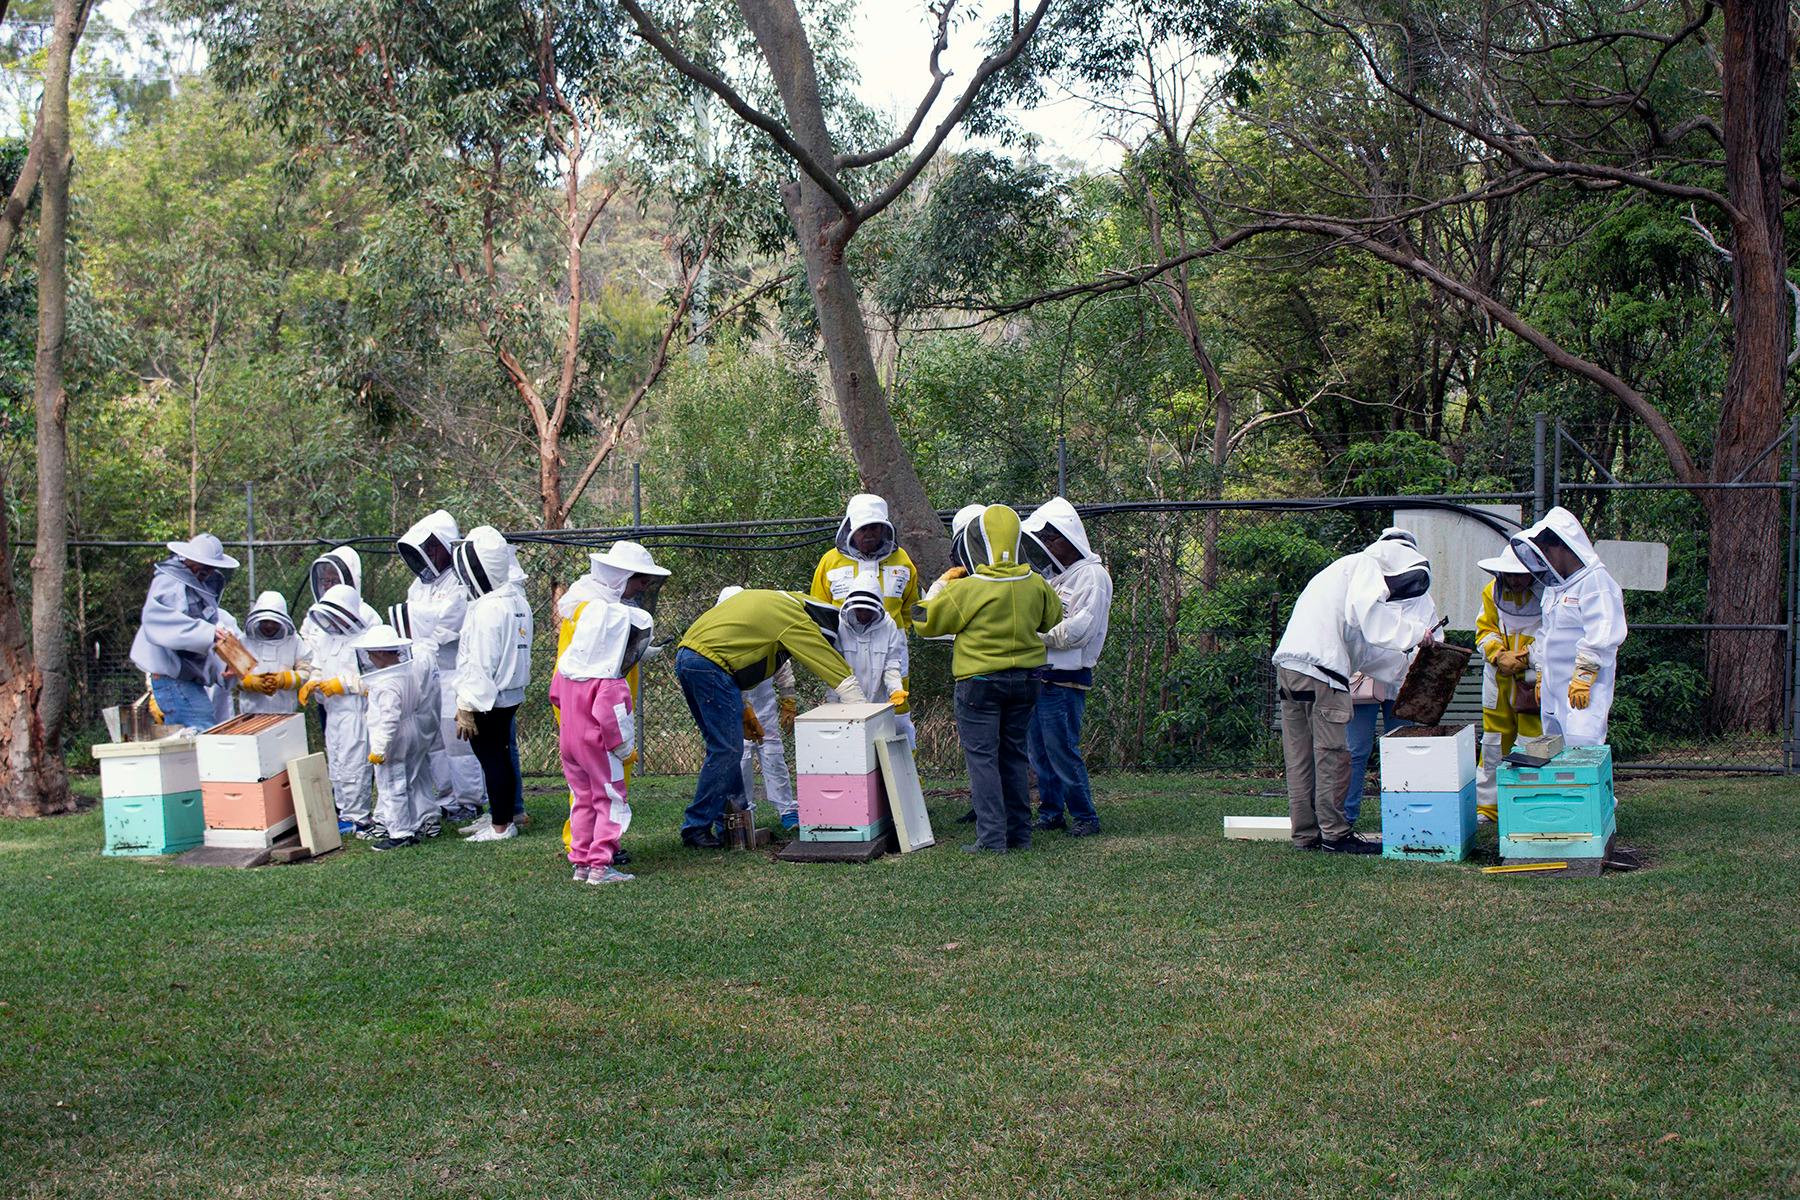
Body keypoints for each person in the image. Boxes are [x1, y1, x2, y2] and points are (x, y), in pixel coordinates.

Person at [914, 505, 1063, 854]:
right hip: (1025, 681)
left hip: (978, 682)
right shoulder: (1035, 584)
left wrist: (937, 587)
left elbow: (924, 622)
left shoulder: (969, 589)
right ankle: (1021, 836)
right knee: (1014, 755)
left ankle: (992, 839)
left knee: (983, 759)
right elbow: (1052, 619)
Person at [1271, 539, 1434, 854]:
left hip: (1292, 672)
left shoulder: (1341, 577)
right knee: (1332, 754)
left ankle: (1305, 835)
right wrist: (1416, 635)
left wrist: (1407, 669)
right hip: (1322, 675)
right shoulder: (1363, 567)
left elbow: (1368, 653)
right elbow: (1376, 626)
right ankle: (1335, 835)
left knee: (1300, 756)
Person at [675, 588, 865, 848]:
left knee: (725, 749)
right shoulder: (792, 614)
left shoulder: (770, 603)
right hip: (709, 667)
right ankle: (696, 828)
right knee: (726, 751)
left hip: (693, 659)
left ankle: (733, 824)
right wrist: (858, 703)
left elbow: (732, 652)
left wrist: (742, 708)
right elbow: (823, 657)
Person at [554, 541, 672, 855]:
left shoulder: (605, 603)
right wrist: (619, 739)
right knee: (598, 788)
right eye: (640, 579)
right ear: (620, 576)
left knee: (598, 785)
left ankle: (589, 850)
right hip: (597, 712)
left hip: (592, 709)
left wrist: (640, 649)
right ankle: (596, 850)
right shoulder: (591, 608)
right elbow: (589, 664)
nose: (645, 586)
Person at [1021, 497, 1113, 837]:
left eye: (1051, 539)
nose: (1047, 547)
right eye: (1042, 540)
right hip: (1039, 676)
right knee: (1040, 753)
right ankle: (1050, 812)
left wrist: (1034, 637)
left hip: (1065, 680)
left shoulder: (1092, 575)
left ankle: (1085, 816)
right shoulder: (1053, 576)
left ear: (1069, 537)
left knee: (1062, 750)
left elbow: (1078, 629)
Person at [552, 598, 653, 884]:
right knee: (609, 800)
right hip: (598, 749)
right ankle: (601, 866)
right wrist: (625, 750)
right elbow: (613, 720)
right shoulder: (611, 681)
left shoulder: (567, 668)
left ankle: (581, 863)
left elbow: (556, 697)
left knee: (581, 800)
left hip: (569, 745)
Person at [1342, 531, 1440, 824]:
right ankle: (1346, 816)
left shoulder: (1424, 599)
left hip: (1403, 684)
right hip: (1363, 682)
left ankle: (1405, 817)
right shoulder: (1363, 587)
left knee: (1403, 749)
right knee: (1356, 750)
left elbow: (1436, 637)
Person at [1509, 507, 1627, 747]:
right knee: (1554, 749)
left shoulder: (1596, 581)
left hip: (1584, 687)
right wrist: (1540, 671)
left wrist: (1584, 676)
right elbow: (1547, 634)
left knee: (1582, 746)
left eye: (1546, 551)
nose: (1544, 559)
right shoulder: (1556, 588)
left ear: (1562, 546)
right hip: (1554, 687)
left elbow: (1604, 632)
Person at [396, 510, 485, 823]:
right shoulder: (418, 587)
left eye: (434, 547)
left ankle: (471, 801)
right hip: (424, 675)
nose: (430, 554)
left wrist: (422, 634)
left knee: (457, 743)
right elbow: (408, 624)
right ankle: (447, 800)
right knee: (433, 742)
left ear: (445, 546)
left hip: (453, 675)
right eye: (426, 549)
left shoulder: (460, 583)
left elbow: (447, 629)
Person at [449, 526, 533, 844]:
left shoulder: (488, 608)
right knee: (501, 753)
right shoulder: (515, 601)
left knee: (492, 757)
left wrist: (466, 705)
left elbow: (480, 661)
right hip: (509, 692)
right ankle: (505, 815)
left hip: (488, 698)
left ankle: (501, 825)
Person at [129, 533, 241, 732]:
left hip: (184, 677)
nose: (207, 572)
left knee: (196, 734)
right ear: (188, 558)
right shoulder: (169, 584)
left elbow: (199, 643)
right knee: (201, 730)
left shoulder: (197, 589)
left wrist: (226, 667)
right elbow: (162, 625)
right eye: (203, 566)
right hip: (171, 677)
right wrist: (210, 633)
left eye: (211, 567)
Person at [716, 586, 799, 832]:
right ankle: (744, 812)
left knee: (773, 754)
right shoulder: (717, 637)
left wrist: (789, 700)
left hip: (764, 706)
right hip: (733, 709)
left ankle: (787, 811)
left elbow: (782, 667)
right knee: (740, 757)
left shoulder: (763, 630)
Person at [298, 583, 375, 835]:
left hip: (356, 712)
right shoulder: (326, 638)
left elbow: (373, 681)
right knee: (337, 762)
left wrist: (341, 684)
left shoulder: (365, 640)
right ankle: (344, 812)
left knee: (354, 762)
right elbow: (318, 666)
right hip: (333, 712)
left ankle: (358, 816)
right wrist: (312, 682)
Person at [352, 623, 437, 851]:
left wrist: (379, 749)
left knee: (392, 785)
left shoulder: (387, 683)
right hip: (411, 730)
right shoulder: (406, 673)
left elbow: (389, 719)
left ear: (381, 653)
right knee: (407, 781)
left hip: (395, 737)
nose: (369, 658)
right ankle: (410, 826)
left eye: (371, 653)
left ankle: (400, 833)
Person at [1474, 546, 1544, 820]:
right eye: (1510, 575)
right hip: (1497, 678)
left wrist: (1528, 656)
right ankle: (1488, 807)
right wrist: (1498, 654)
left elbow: (1555, 632)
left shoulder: (1547, 593)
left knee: (1533, 741)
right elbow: (1484, 630)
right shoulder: (1491, 591)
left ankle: (1529, 802)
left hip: (1531, 678)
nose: (1515, 581)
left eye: (1520, 575)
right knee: (1493, 742)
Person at [830, 586, 912, 746]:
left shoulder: (888, 626)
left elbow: (892, 663)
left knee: (874, 753)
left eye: (867, 611)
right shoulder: (840, 625)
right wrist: (831, 702)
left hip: (878, 703)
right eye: (859, 610)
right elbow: (834, 666)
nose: (863, 615)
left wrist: (895, 689)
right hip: (845, 702)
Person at [237, 591, 308, 715]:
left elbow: (306, 670)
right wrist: (250, 682)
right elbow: (231, 676)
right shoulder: (244, 640)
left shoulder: (293, 640)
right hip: (250, 712)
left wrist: (285, 680)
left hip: (285, 712)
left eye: (274, 622)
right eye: (265, 621)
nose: (269, 626)